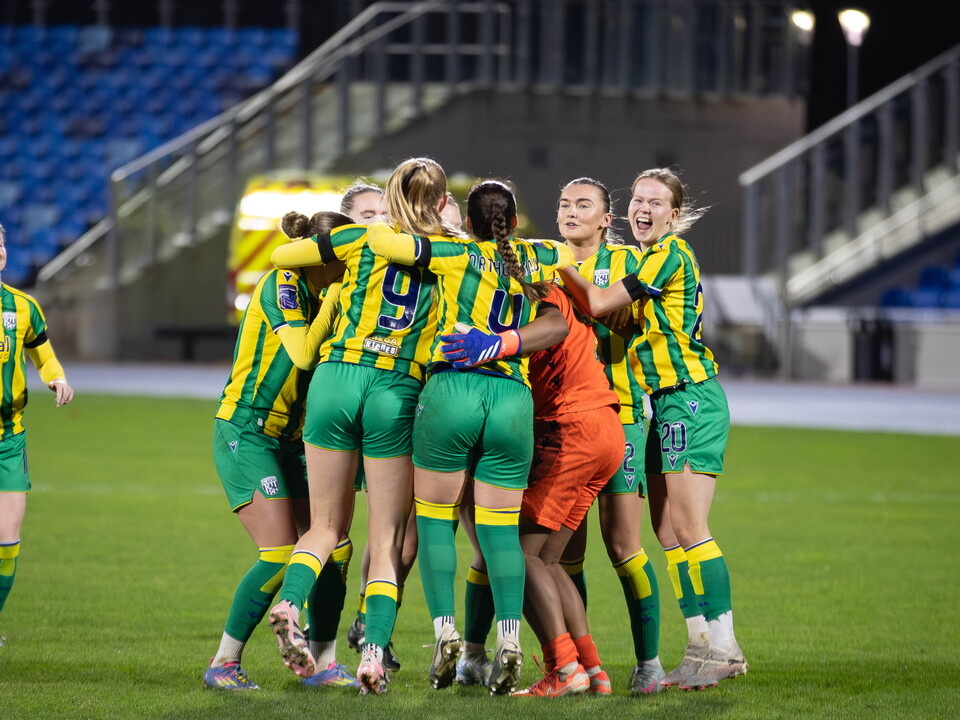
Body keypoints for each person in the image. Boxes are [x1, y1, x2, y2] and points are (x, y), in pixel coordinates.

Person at [365, 178, 572, 696]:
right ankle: (508, 638)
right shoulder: (537, 258)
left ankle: (445, 633)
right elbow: (572, 258)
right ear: (515, 221)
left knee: (435, 525)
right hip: (510, 396)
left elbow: (384, 243)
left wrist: (412, 214)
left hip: (451, 390)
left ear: (469, 222)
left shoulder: (452, 252)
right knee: (500, 533)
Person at [265, 157, 451, 695]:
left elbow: (281, 255)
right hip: (395, 386)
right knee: (386, 538)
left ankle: (289, 601)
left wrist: (339, 246)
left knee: (325, 526)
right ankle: (372, 657)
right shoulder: (451, 251)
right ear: (439, 202)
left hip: (334, 379)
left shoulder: (362, 239)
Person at [559, 168, 748, 692]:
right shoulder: (645, 261)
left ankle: (725, 647)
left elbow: (598, 304)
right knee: (668, 533)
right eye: (638, 199)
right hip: (664, 403)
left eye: (656, 202)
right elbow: (616, 320)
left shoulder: (669, 254)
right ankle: (700, 646)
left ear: (674, 213)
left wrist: (559, 266)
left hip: (689, 397)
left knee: (690, 528)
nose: (644, 208)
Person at [205, 210, 357, 691]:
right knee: (279, 553)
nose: (351, 268)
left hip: (293, 439)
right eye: (343, 260)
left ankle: (323, 661)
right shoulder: (283, 284)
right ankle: (224, 663)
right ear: (319, 257)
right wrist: (335, 298)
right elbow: (303, 355)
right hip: (246, 430)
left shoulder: (337, 293)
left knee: (334, 546)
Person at [555, 177, 667, 694]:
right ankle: (580, 663)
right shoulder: (541, 260)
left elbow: (623, 321)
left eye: (584, 205)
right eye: (564, 203)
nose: (571, 211)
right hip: (558, 420)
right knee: (564, 553)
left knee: (623, 545)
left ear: (606, 219)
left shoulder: (627, 264)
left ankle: (649, 662)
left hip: (619, 415)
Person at [507, 282, 625, 698]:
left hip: (572, 425)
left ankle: (562, 668)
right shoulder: (552, 288)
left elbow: (552, 326)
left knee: (516, 555)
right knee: (549, 559)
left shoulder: (528, 294)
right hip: (606, 425)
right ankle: (593, 670)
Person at [0, 223, 74, 620]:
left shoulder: (23, 307)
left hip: (9, 438)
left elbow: (43, 354)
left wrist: (56, 377)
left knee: (8, 544)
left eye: (0, 245)